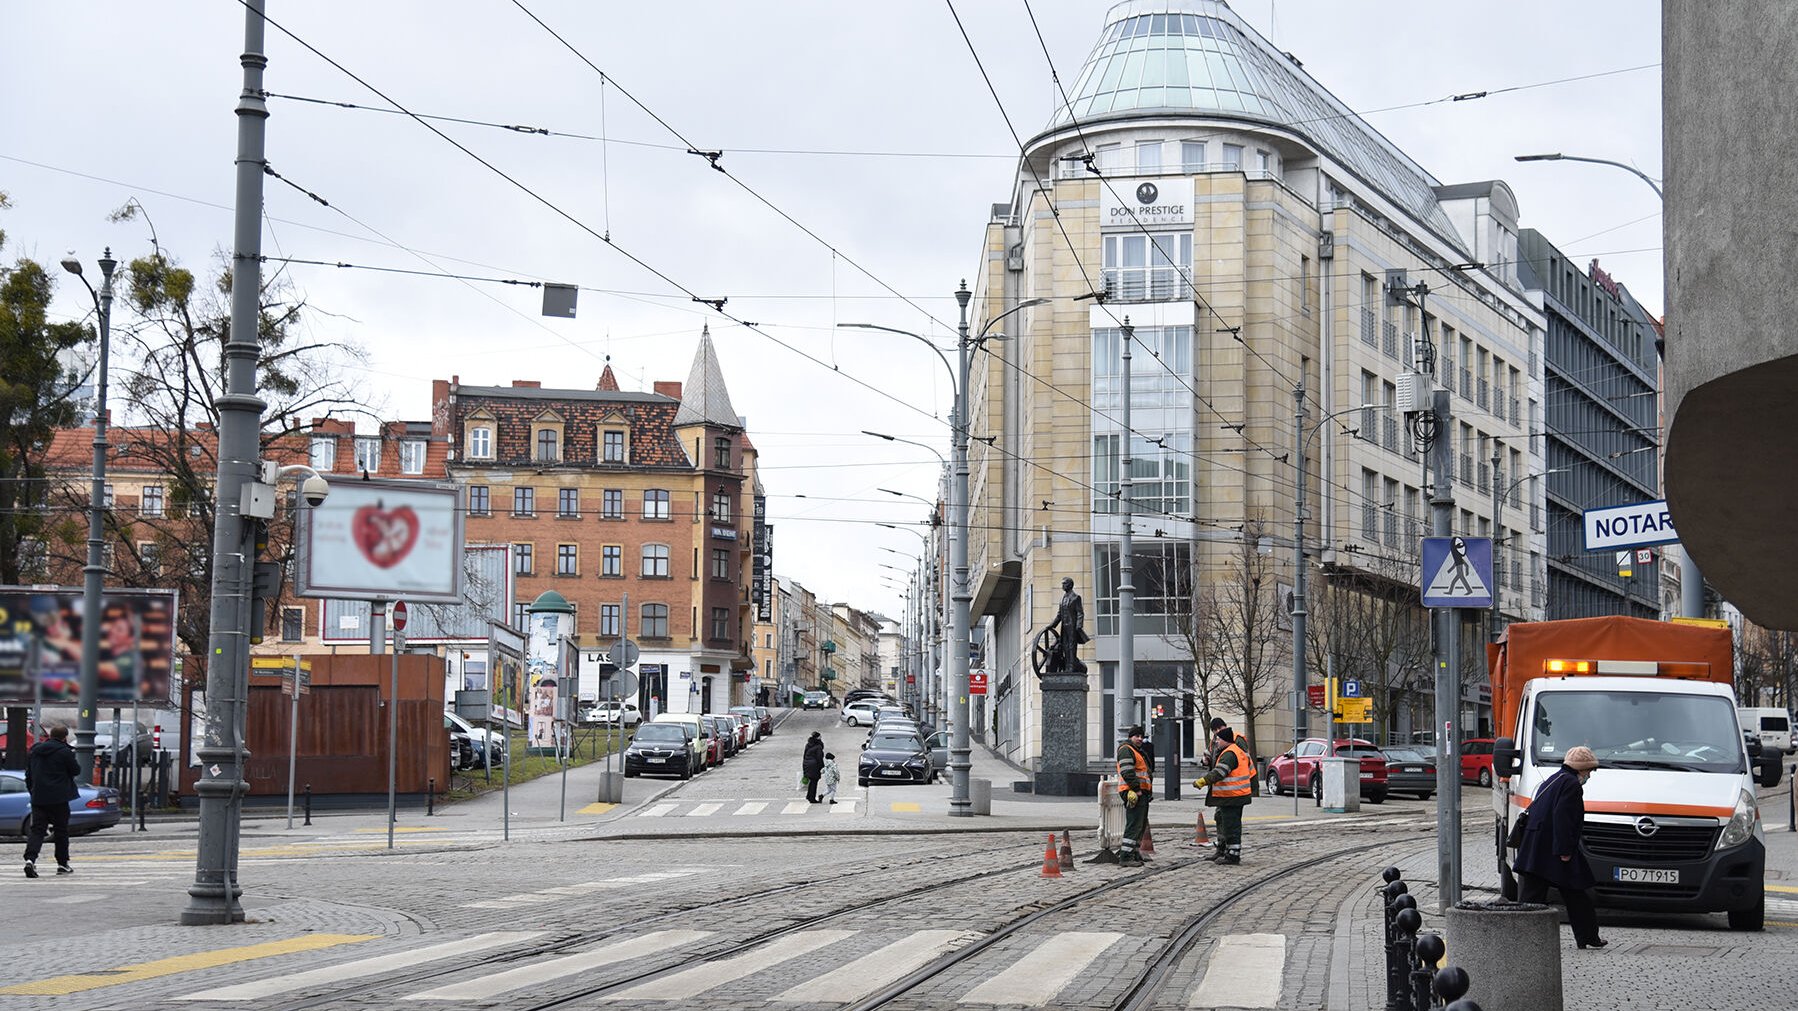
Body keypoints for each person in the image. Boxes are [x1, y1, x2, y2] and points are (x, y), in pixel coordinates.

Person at [1514, 745, 1605, 949]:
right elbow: (1563, 819)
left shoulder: (1555, 779)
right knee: (1576, 893)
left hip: (1538, 847)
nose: (1589, 775)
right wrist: (1565, 851)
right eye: (1589, 771)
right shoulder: (1571, 785)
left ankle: (1521, 937)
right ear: (1582, 769)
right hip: (1554, 850)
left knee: (1533, 896)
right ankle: (1588, 936)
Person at [23, 724, 80, 878]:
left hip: (39, 797)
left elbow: (28, 774)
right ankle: (62, 864)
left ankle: (30, 860)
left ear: (49, 735)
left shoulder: (35, 751)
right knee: (61, 830)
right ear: (64, 737)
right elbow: (76, 770)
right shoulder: (65, 752)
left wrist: (33, 791)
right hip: (59, 798)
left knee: (37, 830)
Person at [1194, 724, 1254, 864]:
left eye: (1218, 739)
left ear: (1225, 740)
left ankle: (1232, 855)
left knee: (1231, 825)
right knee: (1226, 822)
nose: (1216, 742)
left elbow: (1220, 772)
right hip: (1234, 795)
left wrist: (1203, 781)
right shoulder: (1231, 750)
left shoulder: (1229, 753)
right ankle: (1227, 851)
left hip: (1232, 796)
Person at [1114, 724, 1153, 866]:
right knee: (1134, 823)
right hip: (1133, 791)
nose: (1140, 739)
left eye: (1142, 736)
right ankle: (1126, 856)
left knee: (1140, 824)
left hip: (1139, 792)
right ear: (1130, 737)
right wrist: (1136, 788)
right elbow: (1127, 772)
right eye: (1137, 736)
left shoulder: (1136, 751)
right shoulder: (1126, 750)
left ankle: (1134, 852)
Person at [801, 731, 825, 804]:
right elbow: (819, 758)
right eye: (820, 737)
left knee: (811, 781)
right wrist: (822, 767)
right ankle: (812, 798)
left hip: (807, 764)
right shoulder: (818, 747)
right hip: (814, 765)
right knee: (814, 782)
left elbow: (804, 755)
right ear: (818, 738)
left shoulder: (808, 745)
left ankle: (809, 796)